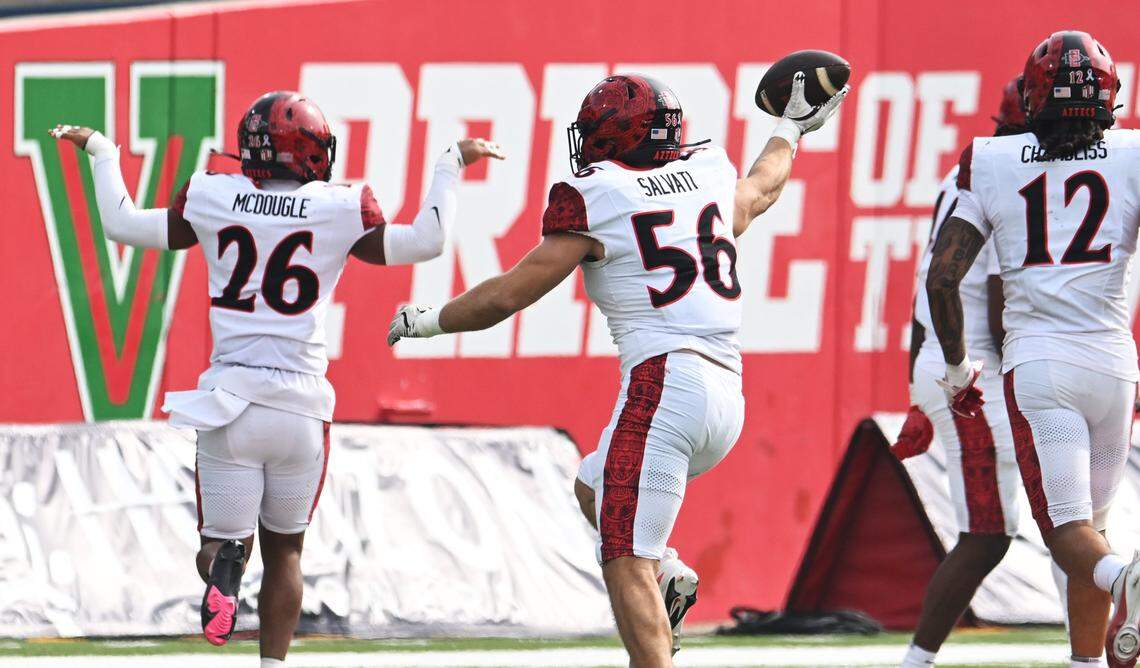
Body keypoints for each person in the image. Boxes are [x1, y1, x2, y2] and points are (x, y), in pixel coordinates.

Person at [387, 72, 846, 666]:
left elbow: (507, 296)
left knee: (625, 557)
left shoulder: (599, 195)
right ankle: (668, 579)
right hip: (726, 392)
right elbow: (760, 190)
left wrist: (428, 321)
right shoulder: (706, 171)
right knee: (593, 487)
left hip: (665, 388)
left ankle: (654, 589)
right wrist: (789, 128)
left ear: (620, 137)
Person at [52, 91, 502, 666]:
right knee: (287, 552)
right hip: (301, 407)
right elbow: (427, 240)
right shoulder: (341, 205)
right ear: (310, 153)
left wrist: (101, 151)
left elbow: (121, 225)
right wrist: (450, 164)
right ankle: (273, 663)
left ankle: (223, 563)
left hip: (231, 400)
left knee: (220, 543)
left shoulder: (214, 193)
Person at [924, 30, 1140, 668]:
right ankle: (1088, 660)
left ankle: (1127, 580)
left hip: (1041, 364)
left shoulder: (987, 159)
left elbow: (944, 277)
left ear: (1031, 96)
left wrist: (959, 367)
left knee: (1066, 533)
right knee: (1088, 532)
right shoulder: (1132, 153)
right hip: (1113, 363)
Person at [897, 74, 1091, 667]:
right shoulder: (1013, 179)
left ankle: (1084, 646)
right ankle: (918, 660)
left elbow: (931, 290)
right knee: (1005, 529)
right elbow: (1002, 305)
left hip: (955, 365)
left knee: (1057, 515)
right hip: (979, 375)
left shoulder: (965, 177)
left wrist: (918, 381)